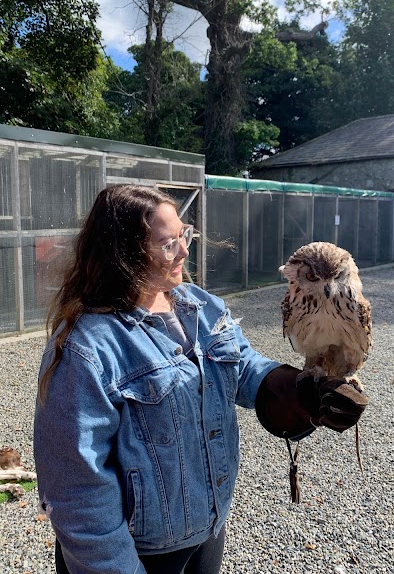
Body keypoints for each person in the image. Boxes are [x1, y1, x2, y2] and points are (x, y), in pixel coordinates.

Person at [34, 184, 368, 574]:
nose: (184, 251)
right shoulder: (85, 349)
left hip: (207, 529)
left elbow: (240, 365)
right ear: (123, 254)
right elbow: (77, 492)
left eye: (184, 235)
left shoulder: (201, 306)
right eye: (167, 243)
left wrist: (297, 389)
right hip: (138, 552)